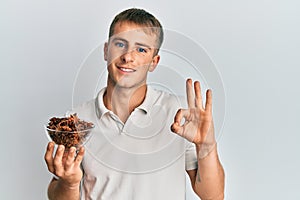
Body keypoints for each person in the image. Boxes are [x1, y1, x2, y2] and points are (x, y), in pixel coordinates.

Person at [44, 8, 225, 200]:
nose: (128, 57)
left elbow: (213, 196)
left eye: (141, 49)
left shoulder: (180, 115)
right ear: (106, 51)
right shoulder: (77, 120)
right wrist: (69, 183)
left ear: (154, 61)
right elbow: (56, 194)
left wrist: (207, 145)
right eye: (120, 44)